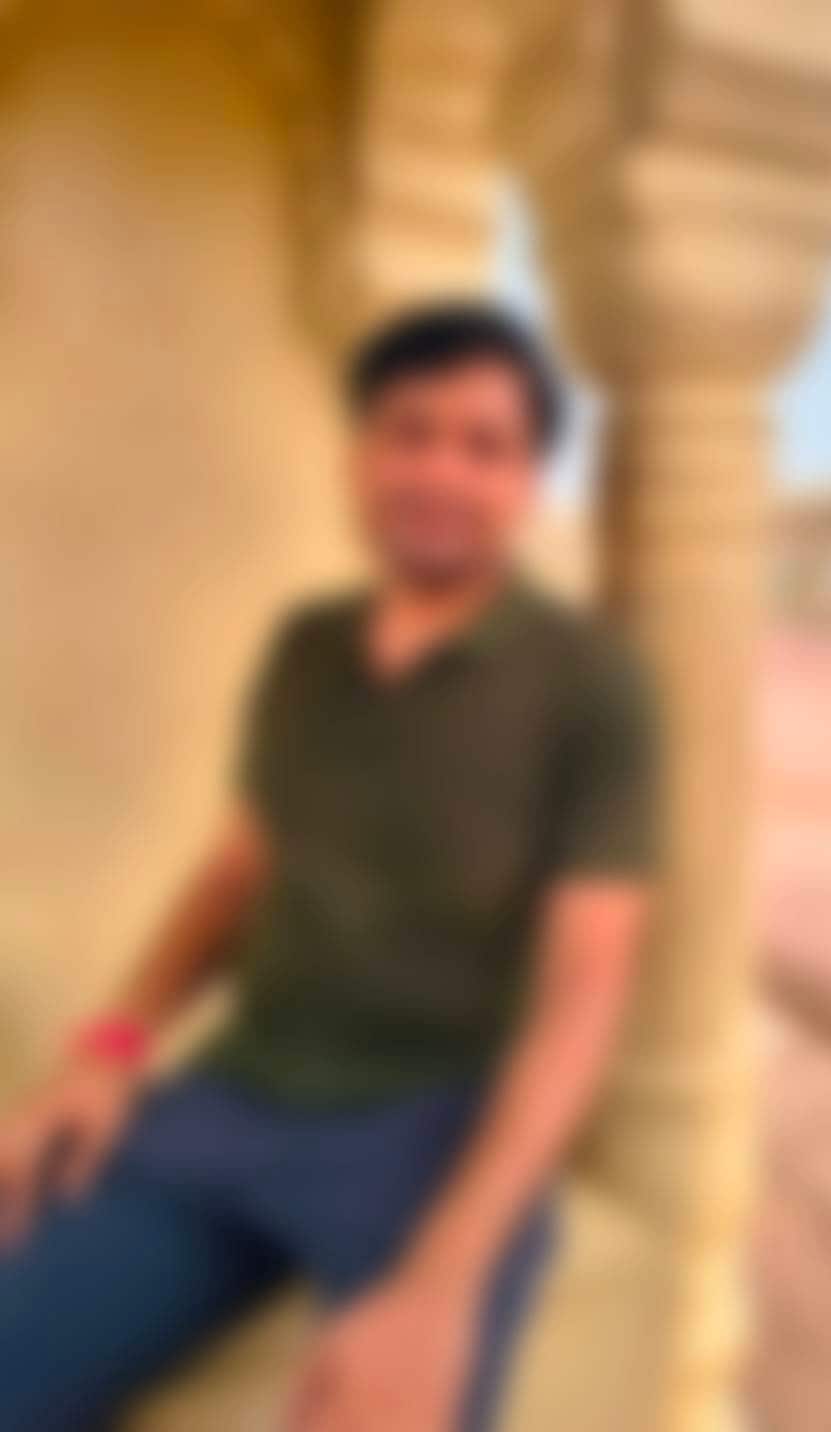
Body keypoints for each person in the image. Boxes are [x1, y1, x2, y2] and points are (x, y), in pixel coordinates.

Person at [0, 303, 658, 1431]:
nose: (440, 470)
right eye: (410, 432)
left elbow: (584, 996)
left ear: (528, 482)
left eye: (484, 445)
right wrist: (107, 1054)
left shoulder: (590, 683)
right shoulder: (305, 647)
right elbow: (235, 875)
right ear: (361, 455)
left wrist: (444, 1283)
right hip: (236, 1094)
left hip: (433, 1132)